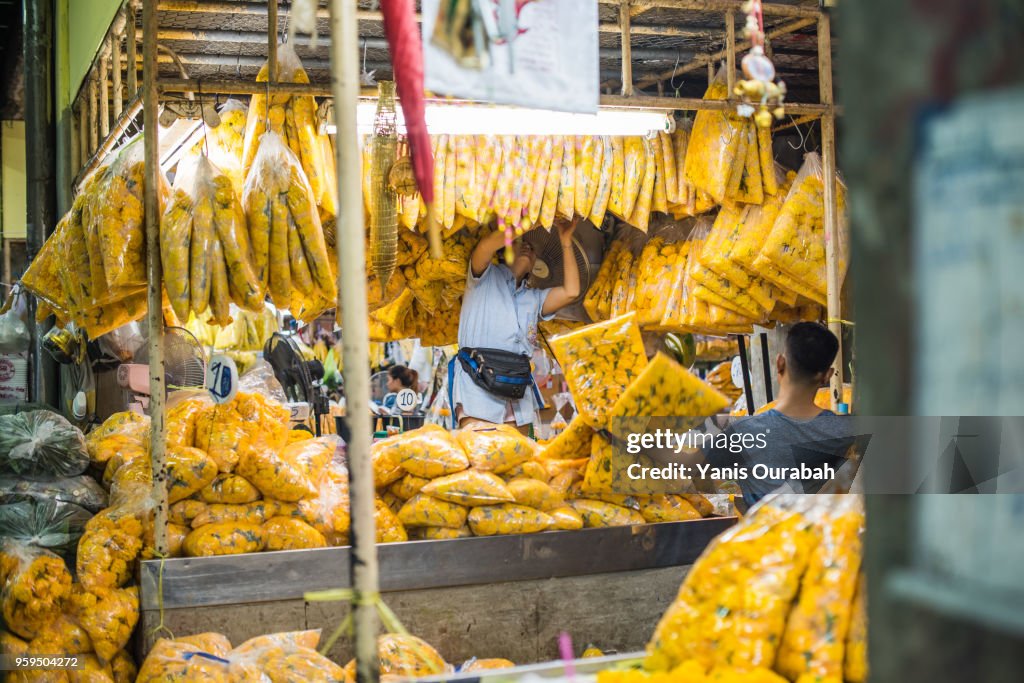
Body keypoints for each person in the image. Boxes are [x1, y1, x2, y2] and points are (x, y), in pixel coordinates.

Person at [680, 322, 854, 505]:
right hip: (823, 531)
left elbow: (683, 466)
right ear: (828, 375)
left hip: (765, 531)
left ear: (779, 363)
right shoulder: (846, 431)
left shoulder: (743, 433)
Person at [451, 217, 582, 432]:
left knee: (517, 460)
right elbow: (485, 246)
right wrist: (535, 220)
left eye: (532, 248)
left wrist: (565, 240)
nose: (528, 247)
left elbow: (571, 292)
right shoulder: (482, 277)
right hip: (477, 389)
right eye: (520, 243)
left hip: (517, 391)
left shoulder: (534, 297)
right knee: (482, 459)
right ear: (504, 252)